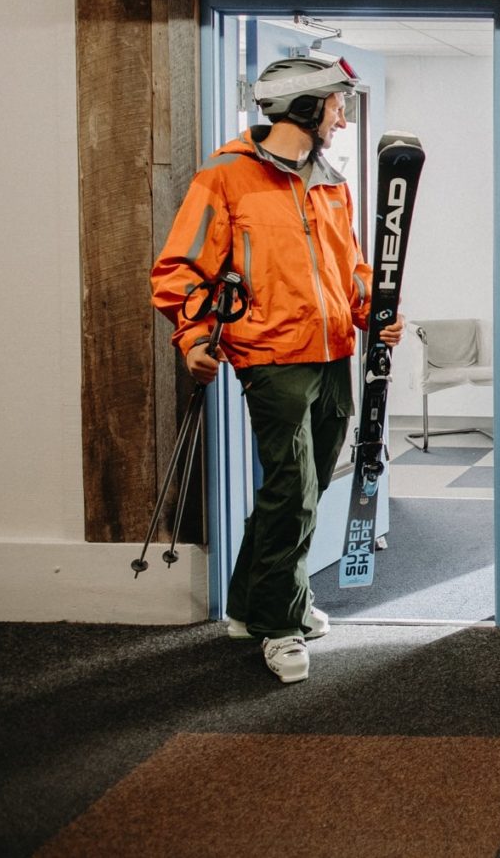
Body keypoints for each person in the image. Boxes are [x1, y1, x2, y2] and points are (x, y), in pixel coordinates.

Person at [150, 52, 404, 684]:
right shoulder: (227, 177)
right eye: (338, 105)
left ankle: (247, 605)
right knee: (291, 488)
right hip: (271, 357)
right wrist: (192, 336)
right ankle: (281, 626)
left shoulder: (331, 182)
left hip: (333, 354)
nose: (343, 118)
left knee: (302, 487)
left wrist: (373, 311)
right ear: (308, 107)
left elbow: (351, 270)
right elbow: (179, 267)